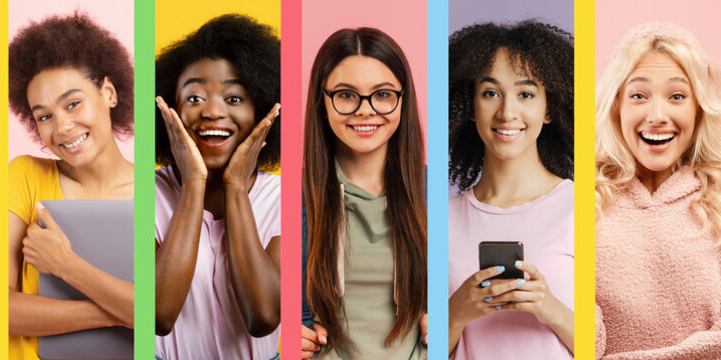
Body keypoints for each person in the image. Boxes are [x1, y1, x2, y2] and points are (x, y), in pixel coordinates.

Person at [6, 13, 135, 359]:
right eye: (44, 116)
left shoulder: (157, 192)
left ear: (108, 92)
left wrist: (65, 264)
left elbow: (161, 314)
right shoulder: (24, 176)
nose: (62, 127)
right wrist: (120, 311)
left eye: (73, 103)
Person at [154, 13, 281, 360]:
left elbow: (263, 317)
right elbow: (158, 314)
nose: (212, 111)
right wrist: (193, 182)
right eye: (194, 98)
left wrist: (236, 185)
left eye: (234, 98)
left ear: (263, 110)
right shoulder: (145, 193)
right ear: (170, 109)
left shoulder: (283, 197)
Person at [447, 21, 575, 359]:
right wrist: (457, 312)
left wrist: (550, 308)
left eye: (526, 94)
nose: (507, 112)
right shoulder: (440, 220)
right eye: (490, 93)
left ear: (549, 109)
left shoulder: (583, 208)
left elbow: (612, 343)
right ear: (469, 107)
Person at [595, 22, 721, 359]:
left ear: (698, 106)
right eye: (639, 95)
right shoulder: (583, 203)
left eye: (677, 96)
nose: (657, 116)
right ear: (617, 103)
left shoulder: (717, 202)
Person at [299, 27, 427, 360]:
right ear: (322, 101)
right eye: (345, 94)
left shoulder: (433, 193)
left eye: (383, 94)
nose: (365, 110)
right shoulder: (294, 197)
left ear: (403, 98)